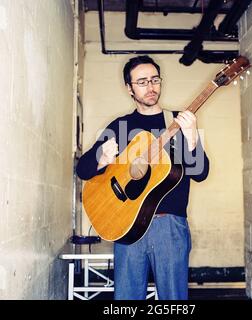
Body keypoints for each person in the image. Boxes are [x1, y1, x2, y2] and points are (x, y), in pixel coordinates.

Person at [76, 55, 209, 300]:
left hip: (169, 227)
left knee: (173, 300)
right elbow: (83, 170)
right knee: (126, 298)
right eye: (142, 82)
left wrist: (192, 140)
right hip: (126, 224)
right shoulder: (121, 126)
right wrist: (101, 159)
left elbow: (201, 173)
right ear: (129, 88)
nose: (151, 87)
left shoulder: (178, 122)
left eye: (155, 80)